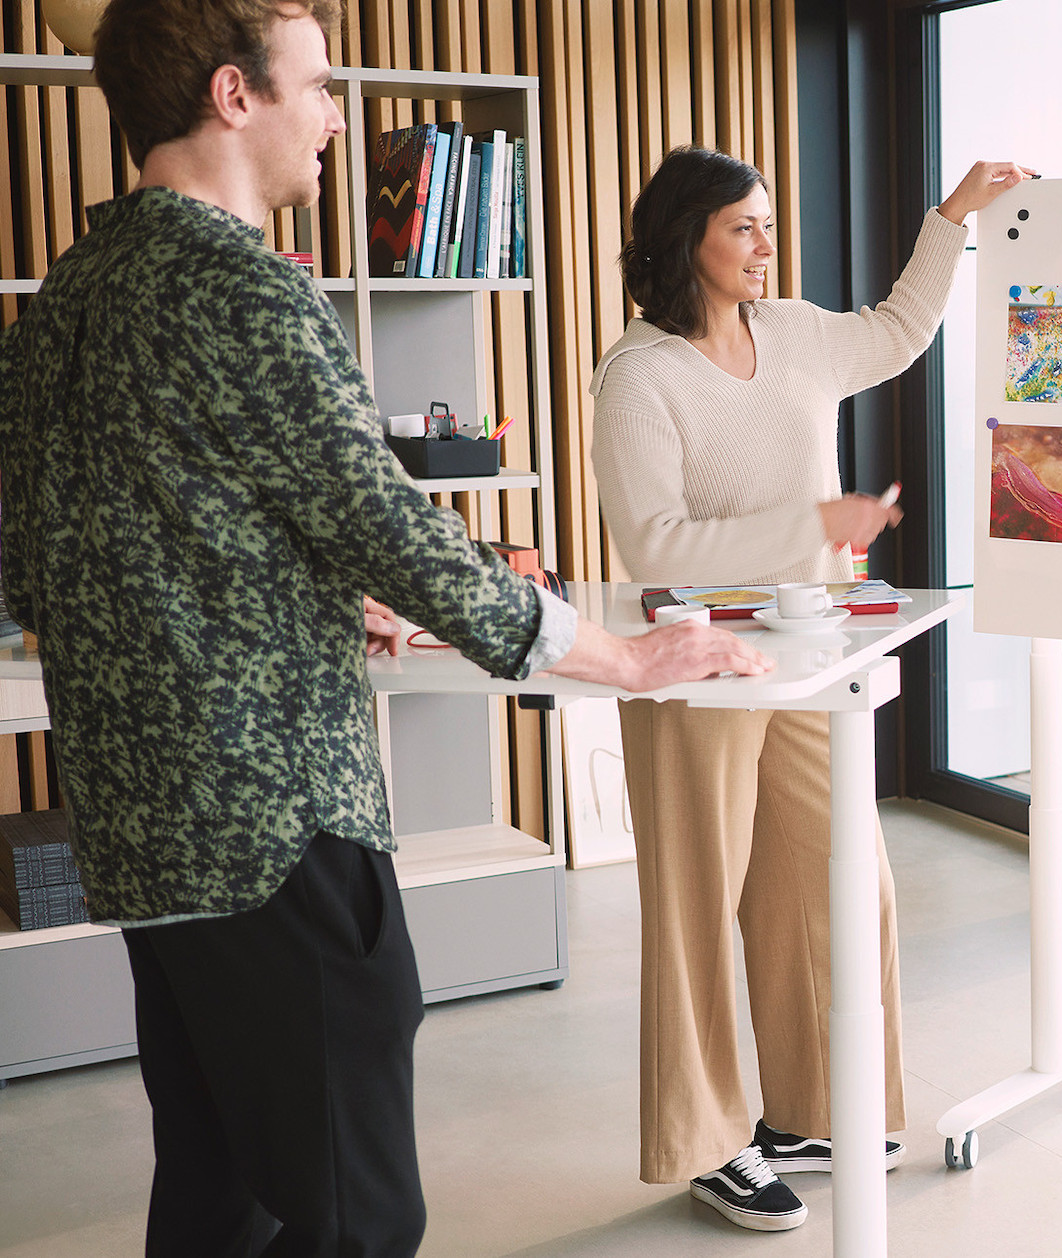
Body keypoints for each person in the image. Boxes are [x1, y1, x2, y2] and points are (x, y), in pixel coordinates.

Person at [0, 3, 770, 1255]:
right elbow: (392, 531)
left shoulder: (62, 303)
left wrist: (285, 589)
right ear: (233, 95)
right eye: (316, 87)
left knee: (214, 1186)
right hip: (275, 826)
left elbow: (43, 567)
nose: (337, 117)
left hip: (140, 826)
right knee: (358, 1210)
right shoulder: (247, 292)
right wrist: (621, 656)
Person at [589, 148, 1028, 1231]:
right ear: (686, 235)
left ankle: (819, 1104)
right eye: (744, 227)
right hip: (690, 665)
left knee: (841, 878)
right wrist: (812, 529)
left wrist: (953, 217)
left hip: (804, 651)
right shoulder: (638, 375)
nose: (766, 245)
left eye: (768, 224)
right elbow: (651, 541)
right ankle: (709, 1141)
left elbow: (897, 329)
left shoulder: (789, 332)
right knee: (698, 904)